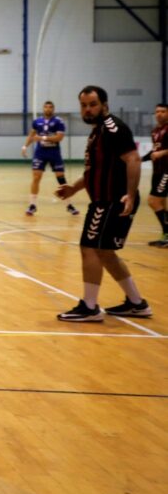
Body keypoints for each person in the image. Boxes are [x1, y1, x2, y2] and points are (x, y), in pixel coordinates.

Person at [54, 86, 152, 321]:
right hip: (103, 201)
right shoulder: (98, 132)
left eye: (93, 104)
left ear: (105, 105)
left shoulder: (112, 128)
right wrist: (73, 189)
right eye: (84, 105)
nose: (88, 109)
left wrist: (129, 193)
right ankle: (137, 304)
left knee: (89, 248)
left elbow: (133, 159)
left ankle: (89, 307)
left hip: (110, 201)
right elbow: (93, 171)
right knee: (106, 253)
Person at [22, 100, 79, 217]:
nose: (48, 109)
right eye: (46, 107)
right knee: (36, 177)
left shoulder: (58, 121)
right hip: (40, 153)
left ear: (53, 109)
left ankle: (69, 205)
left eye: (50, 107)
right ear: (43, 109)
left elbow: (59, 137)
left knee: (61, 179)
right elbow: (32, 135)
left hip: (54, 153)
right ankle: (32, 205)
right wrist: (25, 146)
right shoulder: (37, 122)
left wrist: (42, 137)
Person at [144, 103, 168, 246]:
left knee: (153, 201)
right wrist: (137, 160)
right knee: (161, 202)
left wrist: (162, 153)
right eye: (157, 111)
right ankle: (165, 236)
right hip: (157, 170)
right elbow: (154, 153)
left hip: (167, 170)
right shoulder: (155, 131)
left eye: (163, 111)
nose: (159, 114)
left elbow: (160, 152)